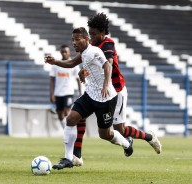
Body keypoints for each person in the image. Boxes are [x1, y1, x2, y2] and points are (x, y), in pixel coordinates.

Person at [67, 13, 162, 166]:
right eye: (89, 34)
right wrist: (82, 71)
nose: (91, 37)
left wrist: (104, 82)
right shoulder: (91, 47)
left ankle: (149, 137)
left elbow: (108, 63)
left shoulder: (108, 44)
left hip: (115, 91)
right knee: (79, 116)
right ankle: (77, 155)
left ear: (103, 33)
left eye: (94, 34)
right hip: (97, 92)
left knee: (121, 130)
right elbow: (80, 61)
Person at [45, 27, 133, 170]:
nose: (74, 42)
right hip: (90, 95)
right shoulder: (84, 53)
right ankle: (68, 158)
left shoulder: (94, 52)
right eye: (73, 39)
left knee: (105, 134)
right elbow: (71, 63)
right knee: (71, 119)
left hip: (106, 99)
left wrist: (105, 85)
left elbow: (107, 67)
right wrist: (55, 62)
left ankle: (126, 144)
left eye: (77, 39)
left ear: (86, 39)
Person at [49, 45, 82, 128]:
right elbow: (52, 80)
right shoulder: (56, 65)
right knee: (60, 114)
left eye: (65, 52)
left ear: (69, 52)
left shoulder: (73, 64)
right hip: (58, 93)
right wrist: (51, 93)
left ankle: (69, 129)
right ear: (60, 52)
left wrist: (80, 92)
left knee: (67, 112)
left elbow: (78, 79)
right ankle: (66, 129)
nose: (64, 53)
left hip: (68, 92)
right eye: (62, 52)